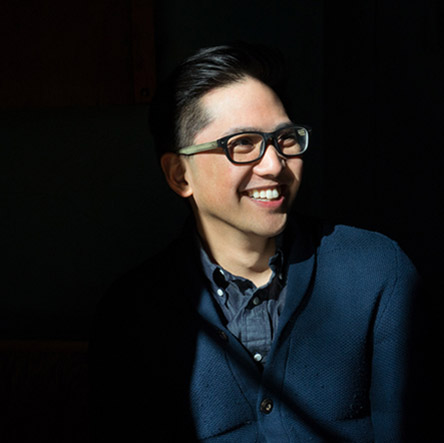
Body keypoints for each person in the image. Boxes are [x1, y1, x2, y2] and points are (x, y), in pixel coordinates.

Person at [89, 42, 425, 442]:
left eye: (285, 138)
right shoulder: (132, 313)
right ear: (180, 174)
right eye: (243, 143)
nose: (275, 164)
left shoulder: (375, 272)